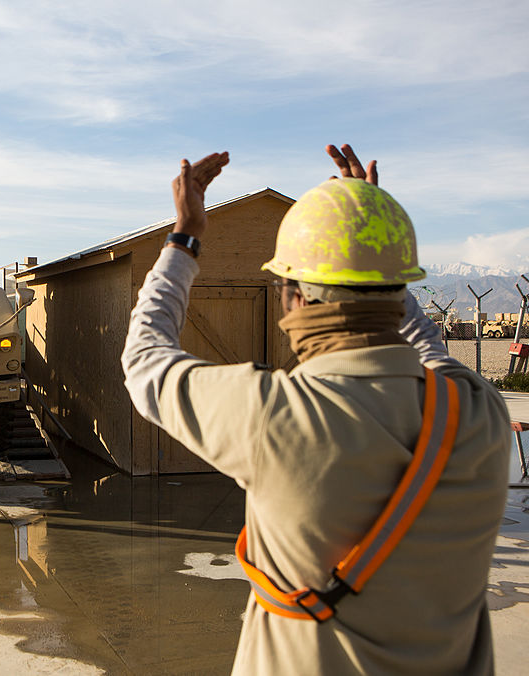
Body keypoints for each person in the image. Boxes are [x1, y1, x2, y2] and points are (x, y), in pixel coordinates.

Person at [122, 145, 509, 674]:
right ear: (397, 293)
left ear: (292, 298)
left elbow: (145, 359)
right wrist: (367, 230)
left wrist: (185, 236)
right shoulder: (476, 409)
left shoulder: (272, 415)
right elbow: (427, 348)